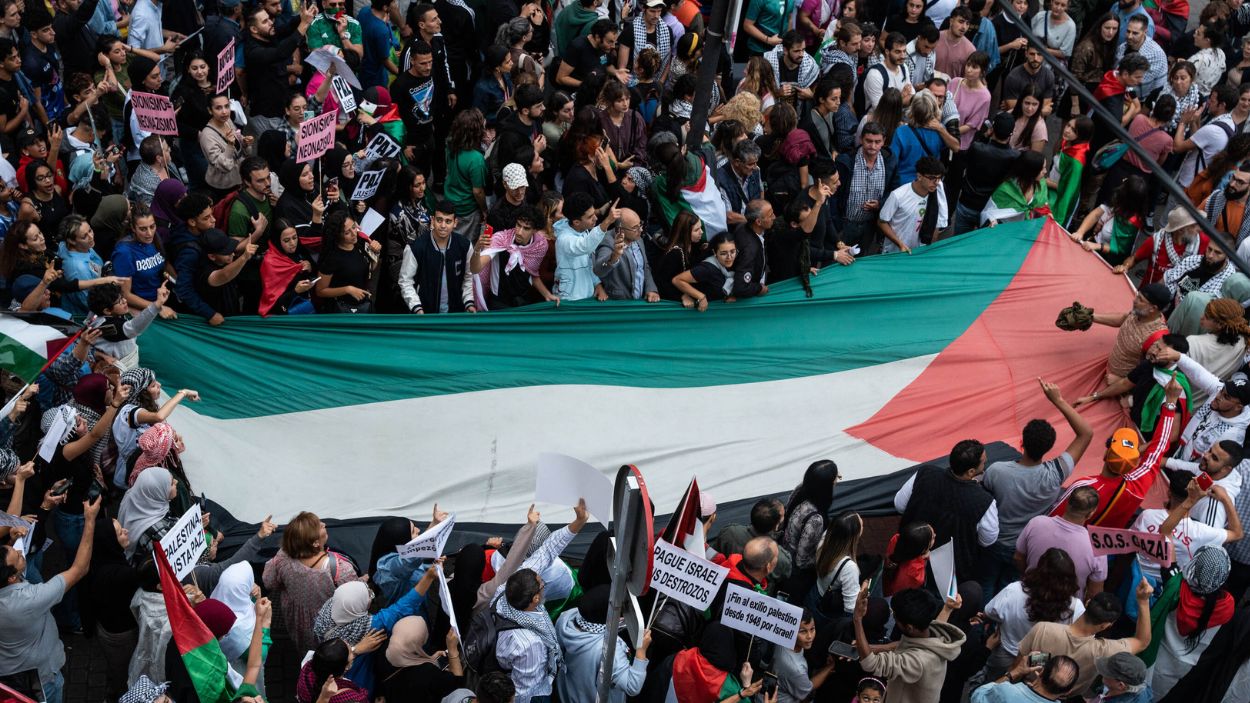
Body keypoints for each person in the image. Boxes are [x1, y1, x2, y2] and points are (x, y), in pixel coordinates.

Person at [981, 378, 1092, 595]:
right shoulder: (1056, 473)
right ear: (1050, 448)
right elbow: (1086, 433)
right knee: (1009, 589)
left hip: (994, 542)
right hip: (1023, 547)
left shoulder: (996, 471)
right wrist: (1058, 401)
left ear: (1021, 443)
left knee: (985, 584)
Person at [0, 494, 100, 703]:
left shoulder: (9, 587)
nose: (20, 553)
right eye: (17, 555)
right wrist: (90, 520)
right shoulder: (28, 600)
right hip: (40, 680)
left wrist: (11, 539)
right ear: (11, 577)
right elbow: (79, 569)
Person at [492, 499, 590, 703]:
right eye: (542, 584)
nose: (542, 581)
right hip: (537, 693)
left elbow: (547, 550)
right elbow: (524, 689)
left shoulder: (507, 588)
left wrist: (578, 522)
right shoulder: (530, 645)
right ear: (536, 598)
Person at [1017, 582, 1153, 695]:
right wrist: (1143, 601)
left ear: (1087, 603)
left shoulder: (1043, 629)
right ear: (1106, 625)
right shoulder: (1103, 651)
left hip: (1028, 690)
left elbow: (1018, 666)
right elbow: (1142, 641)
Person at [982, 549, 1086, 681]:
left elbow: (989, 612)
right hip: (1041, 664)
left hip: (1006, 654)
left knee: (992, 690)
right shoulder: (1076, 607)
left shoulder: (1014, 590)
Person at [853, 587, 967, 702]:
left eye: (895, 616)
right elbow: (914, 642)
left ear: (909, 627)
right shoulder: (934, 635)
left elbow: (870, 663)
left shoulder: (917, 662)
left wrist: (857, 618)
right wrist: (947, 608)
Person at [1151, 545, 1235, 699]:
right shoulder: (1228, 606)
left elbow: (1168, 553)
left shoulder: (1176, 587)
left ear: (1194, 565)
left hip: (1157, 653)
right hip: (1185, 666)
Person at [555, 585, 648, 703]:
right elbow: (632, 686)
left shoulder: (566, 617)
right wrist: (641, 650)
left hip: (566, 692)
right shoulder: (609, 648)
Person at [1015, 487, 1107, 598]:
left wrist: (1029, 576)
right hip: (1066, 608)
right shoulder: (1096, 546)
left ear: (1067, 503)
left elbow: (1018, 557)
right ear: (1090, 514)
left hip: (1028, 595)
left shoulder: (1036, 522)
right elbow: (1094, 592)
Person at [243, 3, 317, 135]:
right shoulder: (253, 51)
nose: (271, 22)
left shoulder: (268, 33)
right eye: (265, 21)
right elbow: (280, 52)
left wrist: (303, 16)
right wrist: (304, 24)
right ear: (254, 29)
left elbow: (287, 28)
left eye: (269, 18)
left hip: (281, 106)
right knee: (279, 150)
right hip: (268, 115)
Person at [835, 121, 896, 252]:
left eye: (877, 141)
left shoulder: (889, 161)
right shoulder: (845, 161)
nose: (872, 146)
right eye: (869, 141)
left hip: (870, 227)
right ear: (861, 139)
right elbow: (834, 195)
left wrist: (880, 204)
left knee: (861, 262)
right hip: (845, 226)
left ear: (883, 141)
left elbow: (894, 191)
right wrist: (836, 226)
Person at [377, 614, 465, 702]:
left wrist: (429, 659)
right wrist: (452, 650)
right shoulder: (428, 673)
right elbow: (457, 688)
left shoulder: (382, 652)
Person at [554, 192, 617, 302]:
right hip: (568, 299)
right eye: (590, 217)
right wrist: (607, 221)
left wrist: (597, 285)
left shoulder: (583, 231)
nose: (596, 218)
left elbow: (588, 264)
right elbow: (584, 246)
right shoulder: (563, 239)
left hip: (586, 294)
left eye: (594, 213)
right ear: (576, 222)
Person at [878, 155, 947, 254]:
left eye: (939, 178)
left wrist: (930, 249)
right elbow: (882, 222)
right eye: (932, 178)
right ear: (919, 176)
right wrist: (900, 244)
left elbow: (937, 224)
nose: (936, 183)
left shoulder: (938, 196)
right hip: (895, 251)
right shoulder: (898, 195)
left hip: (920, 252)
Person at [592, 208, 658, 301]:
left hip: (640, 300)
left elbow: (644, 267)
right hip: (618, 304)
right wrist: (614, 256)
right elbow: (599, 270)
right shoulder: (607, 241)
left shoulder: (638, 238)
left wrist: (651, 289)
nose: (641, 229)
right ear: (620, 230)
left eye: (640, 224)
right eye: (635, 227)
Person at [775, 612, 836, 702]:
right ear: (791, 631)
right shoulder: (796, 669)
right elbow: (807, 691)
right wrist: (830, 666)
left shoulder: (782, 637)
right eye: (803, 631)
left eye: (812, 629)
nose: (810, 636)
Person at [972, 654, 1080, 702]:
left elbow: (978, 695)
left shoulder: (1006, 690)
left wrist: (1014, 672)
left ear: (1041, 672)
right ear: (1068, 691)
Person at [1113, 16, 1166, 97]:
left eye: (1135, 33)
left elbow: (1155, 87)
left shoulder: (1155, 54)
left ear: (1145, 32)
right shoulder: (1123, 47)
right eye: (1128, 31)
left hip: (1142, 99)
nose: (1129, 36)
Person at [863, 32, 912, 113]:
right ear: (887, 51)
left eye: (904, 51)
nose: (903, 56)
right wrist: (901, 97)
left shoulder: (904, 67)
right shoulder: (875, 75)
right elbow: (880, 109)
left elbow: (911, 95)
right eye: (898, 52)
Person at [935, 6, 977, 78]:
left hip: (953, 88)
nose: (964, 27)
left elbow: (968, 78)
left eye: (967, 23)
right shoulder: (935, 38)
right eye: (961, 22)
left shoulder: (970, 50)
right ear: (951, 21)